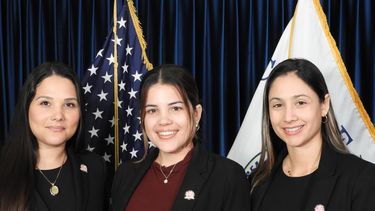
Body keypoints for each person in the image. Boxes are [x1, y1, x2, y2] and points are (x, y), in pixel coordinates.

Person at [110, 64, 251, 211]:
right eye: (152, 110)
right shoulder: (124, 175)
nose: (164, 120)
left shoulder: (228, 176)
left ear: (196, 114)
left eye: (175, 108)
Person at [249, 58, 375, 210]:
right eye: (278, 105)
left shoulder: (362, 179)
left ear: (324, 105)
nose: (288, 117)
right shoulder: (257, 180)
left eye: (301, 103)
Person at [0, 62, 107, 211]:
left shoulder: (96, 168)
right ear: (26, 108)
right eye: (45, 103)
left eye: (69, 105)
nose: (58, 116)